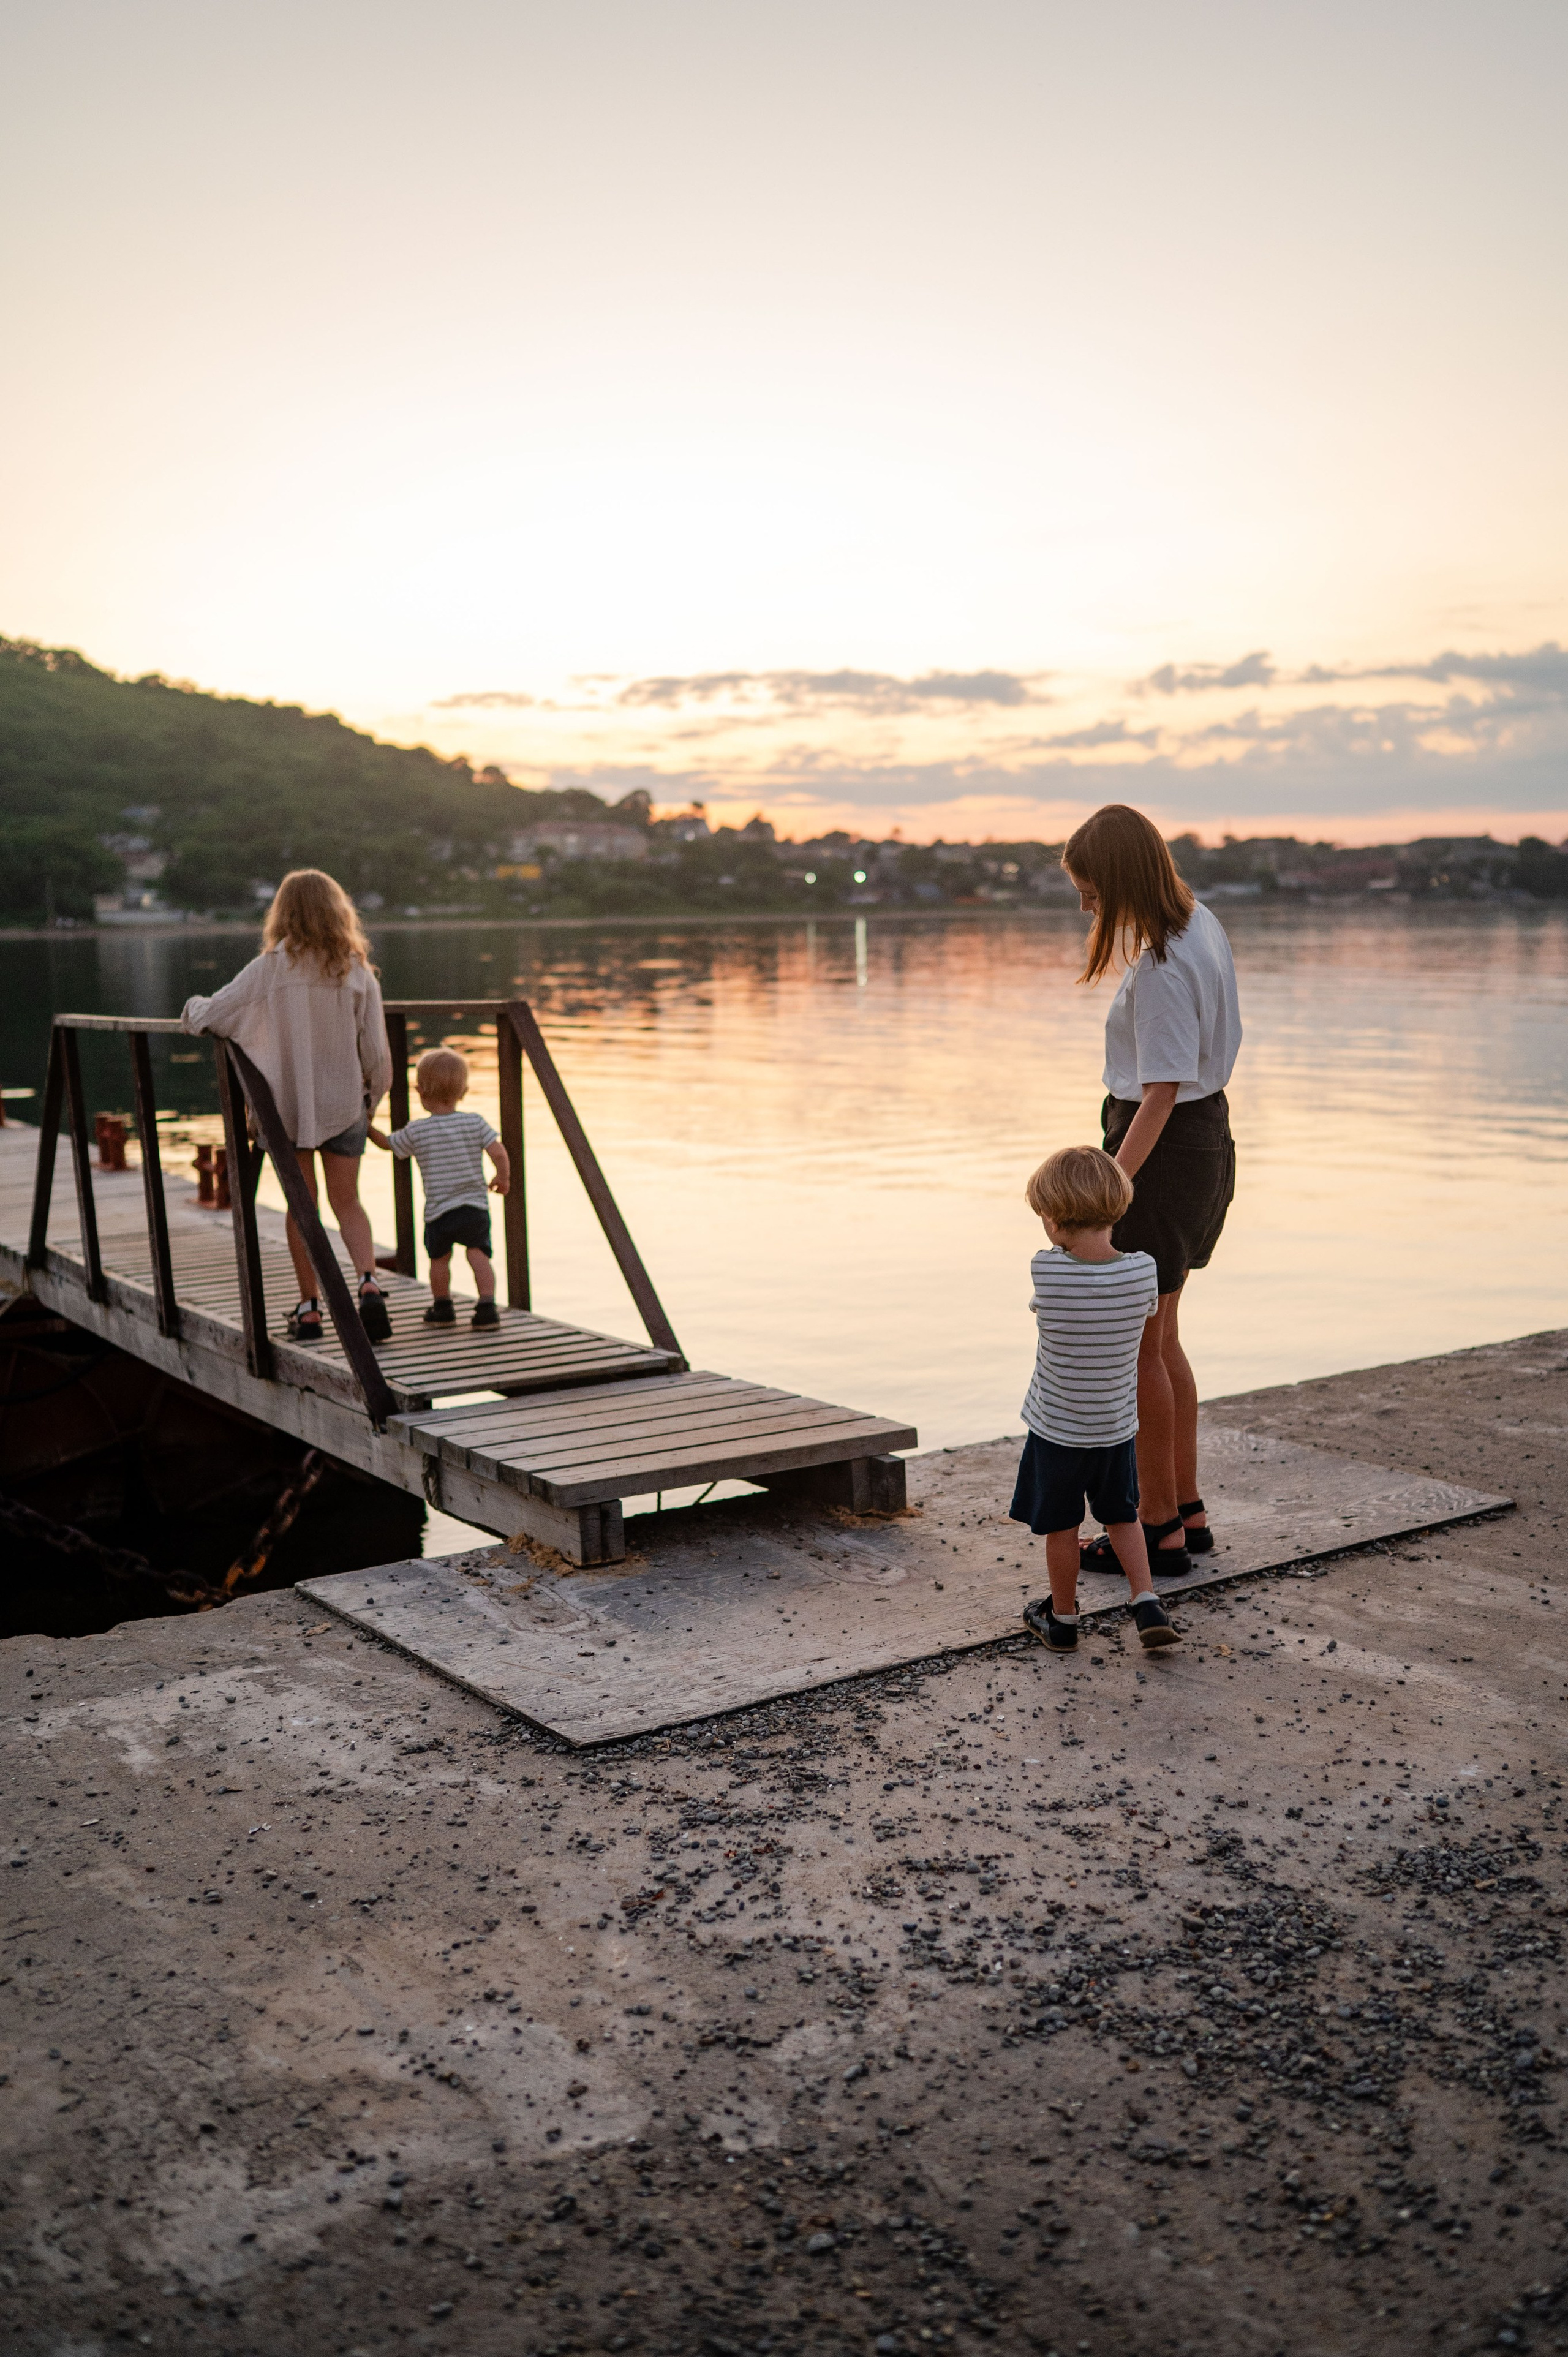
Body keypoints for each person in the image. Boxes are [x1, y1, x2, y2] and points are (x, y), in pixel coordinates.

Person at [1061, 804, 1242, 1574]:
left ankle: (1158, 1528)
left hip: (1160, 1153)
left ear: (1121, 878)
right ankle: (1187, 1513)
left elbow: (1160, 1092)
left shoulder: (1165, 962)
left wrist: (1108, 1187)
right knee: (1161, 1336)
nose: (1085, 905)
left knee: (1140, 1348)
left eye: (1091, 888)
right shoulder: (1200, 922)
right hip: (1203, 1141)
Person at [179, 869, 394, 1344]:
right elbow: (378, 1059)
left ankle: (310, 1309)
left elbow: (213, 1014)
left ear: (283, 913)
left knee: (303, 1207)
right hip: (346, 1106)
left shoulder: (269, 969)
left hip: (287, 1114)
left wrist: (191, 1007)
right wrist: (370, 1106)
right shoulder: (356, 972)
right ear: (339, 912)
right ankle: (369, 1284)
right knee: (348, 1201)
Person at [1012, 1145, 1180, 1653]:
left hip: (1057, 1433)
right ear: (1119, 1206)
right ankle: (1146, 1601)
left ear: (1054, 1218)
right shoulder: (1144, 1271)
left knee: (1063, 1527)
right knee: (1123, 1516)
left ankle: (1062, 1619)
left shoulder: (1046, 1270)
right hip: (1115, 1429)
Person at [369, 1047, 510, 1329]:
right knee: (478, 1254)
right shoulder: (475, 1122)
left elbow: (388, 1144)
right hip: (474, 1207)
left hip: (439, 1211)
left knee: (439, 1259)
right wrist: (502, 1177)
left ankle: (443, 1307)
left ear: (420, 1091)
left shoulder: (417, 1131)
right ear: (463, 1091)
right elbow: (498, 1151)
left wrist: (366, 1126)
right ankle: (487, 1308)